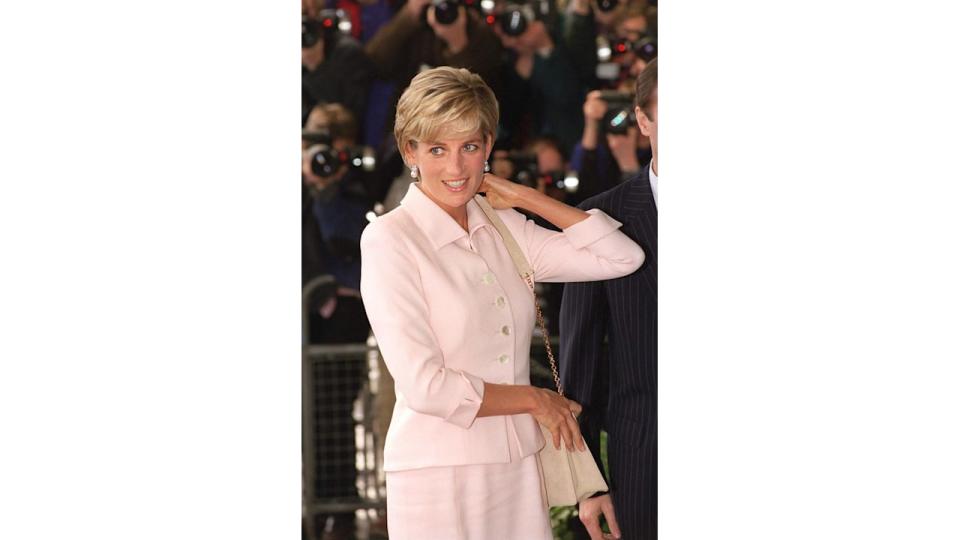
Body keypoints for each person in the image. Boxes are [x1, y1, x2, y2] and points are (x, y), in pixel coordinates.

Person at [359, 66, 644, 539]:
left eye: (469, 146)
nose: (455, 168)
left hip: (517, 467)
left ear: (488, 146)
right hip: (437, 473)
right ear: (409, 151)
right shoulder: (390, 239)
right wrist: (535, 399)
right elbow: (426, 385)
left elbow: (622, 257)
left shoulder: (504, 228)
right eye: (437, 149)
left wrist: (527, 197)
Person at [559, 58, 657, 540]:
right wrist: (588, 482)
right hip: (645, 466)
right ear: (644, 121)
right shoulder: (599, 219)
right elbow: (579, 368)